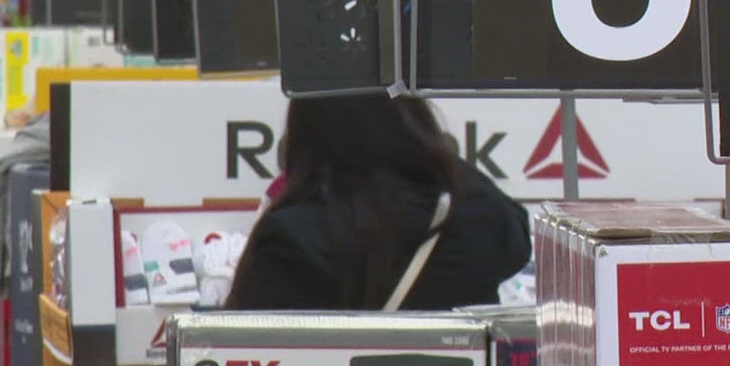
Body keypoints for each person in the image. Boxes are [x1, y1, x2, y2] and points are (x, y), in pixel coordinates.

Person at [225, 95, 530, 310]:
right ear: (415, 120)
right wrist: (434, 154)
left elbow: (238, 357)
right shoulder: (477, 214)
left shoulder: (291, 238)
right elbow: (516, 242)